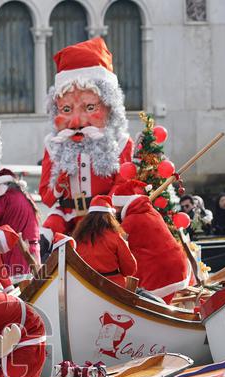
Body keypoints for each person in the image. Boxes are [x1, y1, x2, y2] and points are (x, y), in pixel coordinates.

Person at [38, 37, 133, 236]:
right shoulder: (54, 146)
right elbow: (46, 198)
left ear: (110, 107)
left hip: (105, 219)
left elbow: (123, 187)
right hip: (66, 219)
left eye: (90, 107)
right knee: (47, 235)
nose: (76, 122)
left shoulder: (121, 143)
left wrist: (102, 210)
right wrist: (58, 186)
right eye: (66, 109)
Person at [111, 180, 190, 300]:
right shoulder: (152, 212)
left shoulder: (130, 222)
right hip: (178, 266)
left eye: (116, 208)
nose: (115, 211)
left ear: (124, 205)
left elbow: (115, 248)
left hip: (160, 272)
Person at [70, 195, 137, 289]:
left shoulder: (77, 237)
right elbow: (130, 270)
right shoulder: (115, 236)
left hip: (84, 286)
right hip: (113, 287)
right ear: (110, 217)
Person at [0, 168, 40, 276]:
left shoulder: (4, 199)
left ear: (1, 186)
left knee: (12, 291)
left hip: (16, 255)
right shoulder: (27, 197)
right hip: (34, 253)